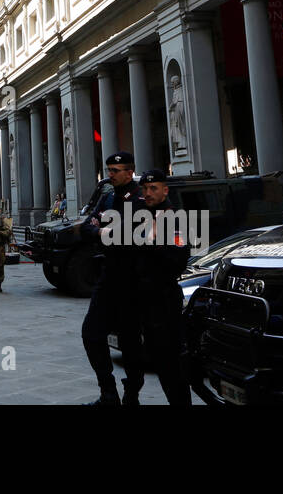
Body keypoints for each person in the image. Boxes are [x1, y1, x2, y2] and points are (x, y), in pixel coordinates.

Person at [81, 151, 146, 405]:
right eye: (108, 171)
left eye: (115, 171)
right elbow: (87, 227)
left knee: (130, 341)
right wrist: (105, 232)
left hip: (132, 279)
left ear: (129, 172)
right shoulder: (107, 198)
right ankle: (108, 392)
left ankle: (132, 394)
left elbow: (131, 235)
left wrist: (105, 231)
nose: (110, 175)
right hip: (109, 276)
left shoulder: (141, 200)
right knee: (91, 333)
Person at [135, 170, 192, 405]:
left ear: (165, 190)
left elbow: (178, 259)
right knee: (158, 360)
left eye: (154, 188)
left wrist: (152, 241)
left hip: (164, 298)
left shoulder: (176, 218)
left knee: (171, 363)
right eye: (145, 189)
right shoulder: (143, 216)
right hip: (145, 298)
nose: (148, 193)